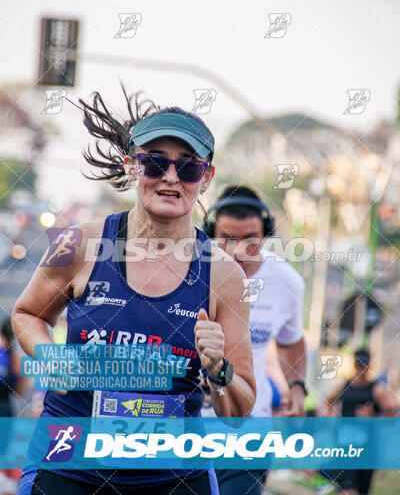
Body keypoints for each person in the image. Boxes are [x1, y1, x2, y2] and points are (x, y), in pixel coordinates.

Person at [12, 91, 256, 495]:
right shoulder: (80, 244)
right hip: (71, 464)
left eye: (189, 168)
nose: (171, 177)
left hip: (173, 477)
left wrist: (217, 369)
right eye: (156, 162)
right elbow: (27, 314)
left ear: (206, 178)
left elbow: (239, 410)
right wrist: (52, 357)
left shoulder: (224, 275)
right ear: (132, 167)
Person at [202, 186, 307, 495]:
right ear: (210, 232)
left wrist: (297, 388)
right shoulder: (187, 271)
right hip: (187, 426)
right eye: (226, 238)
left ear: (266, 235)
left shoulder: (287, 282)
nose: (237, 250)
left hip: (250, 430)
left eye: (250, 239)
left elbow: (292, 342)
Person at [323, 349, 397, 495]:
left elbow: (392, 414)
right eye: (358, 365)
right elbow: (328, 402)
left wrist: (373, 419)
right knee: (347, 489)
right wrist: (331, 425)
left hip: (367, 448)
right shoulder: (344, 386)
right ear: (353, 365)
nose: (360, 369)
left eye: (363, 366)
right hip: (345, 447)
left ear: (369, 366)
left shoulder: (376, 390)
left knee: (361, 490)